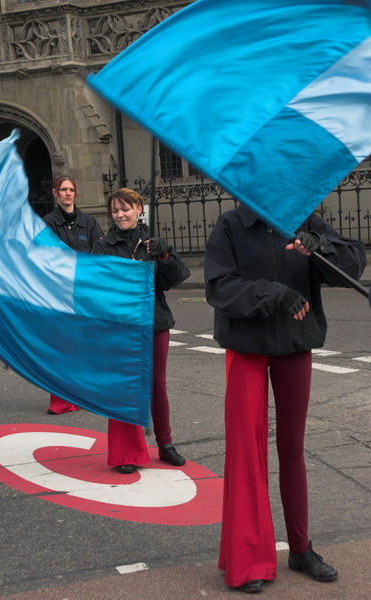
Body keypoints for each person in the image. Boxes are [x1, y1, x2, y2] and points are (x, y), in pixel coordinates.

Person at [204, 204, 366, 594]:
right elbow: (218, 286)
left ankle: (300, 549)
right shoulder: (230, 224)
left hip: (295, 344)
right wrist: (272, 292)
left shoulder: (304, 219)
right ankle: (247, 558)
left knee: (292, 450)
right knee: (246, 451)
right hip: (247, 346)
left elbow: (353, 261)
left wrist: (320, 246)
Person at [93, 188, 190, 473]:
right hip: (121, 326)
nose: (120, 215)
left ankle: (165, 444)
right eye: (115, 210)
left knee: (156, 386)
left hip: (155, 323)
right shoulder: (103, 246)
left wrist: (164, 256)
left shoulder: (153, 241)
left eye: (125, 209)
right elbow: (100, 287)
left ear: (138, 209)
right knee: (125, 386)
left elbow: (175, 279)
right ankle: (126, 452)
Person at [44, 175, 104, 414]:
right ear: (55, 193)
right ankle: (61, 399)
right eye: (63, 190)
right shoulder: (48, 223)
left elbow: (100, 251)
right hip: (58, 292)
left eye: (71, 190)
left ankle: (85, 394)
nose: (68, 193)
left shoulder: (88, 221)